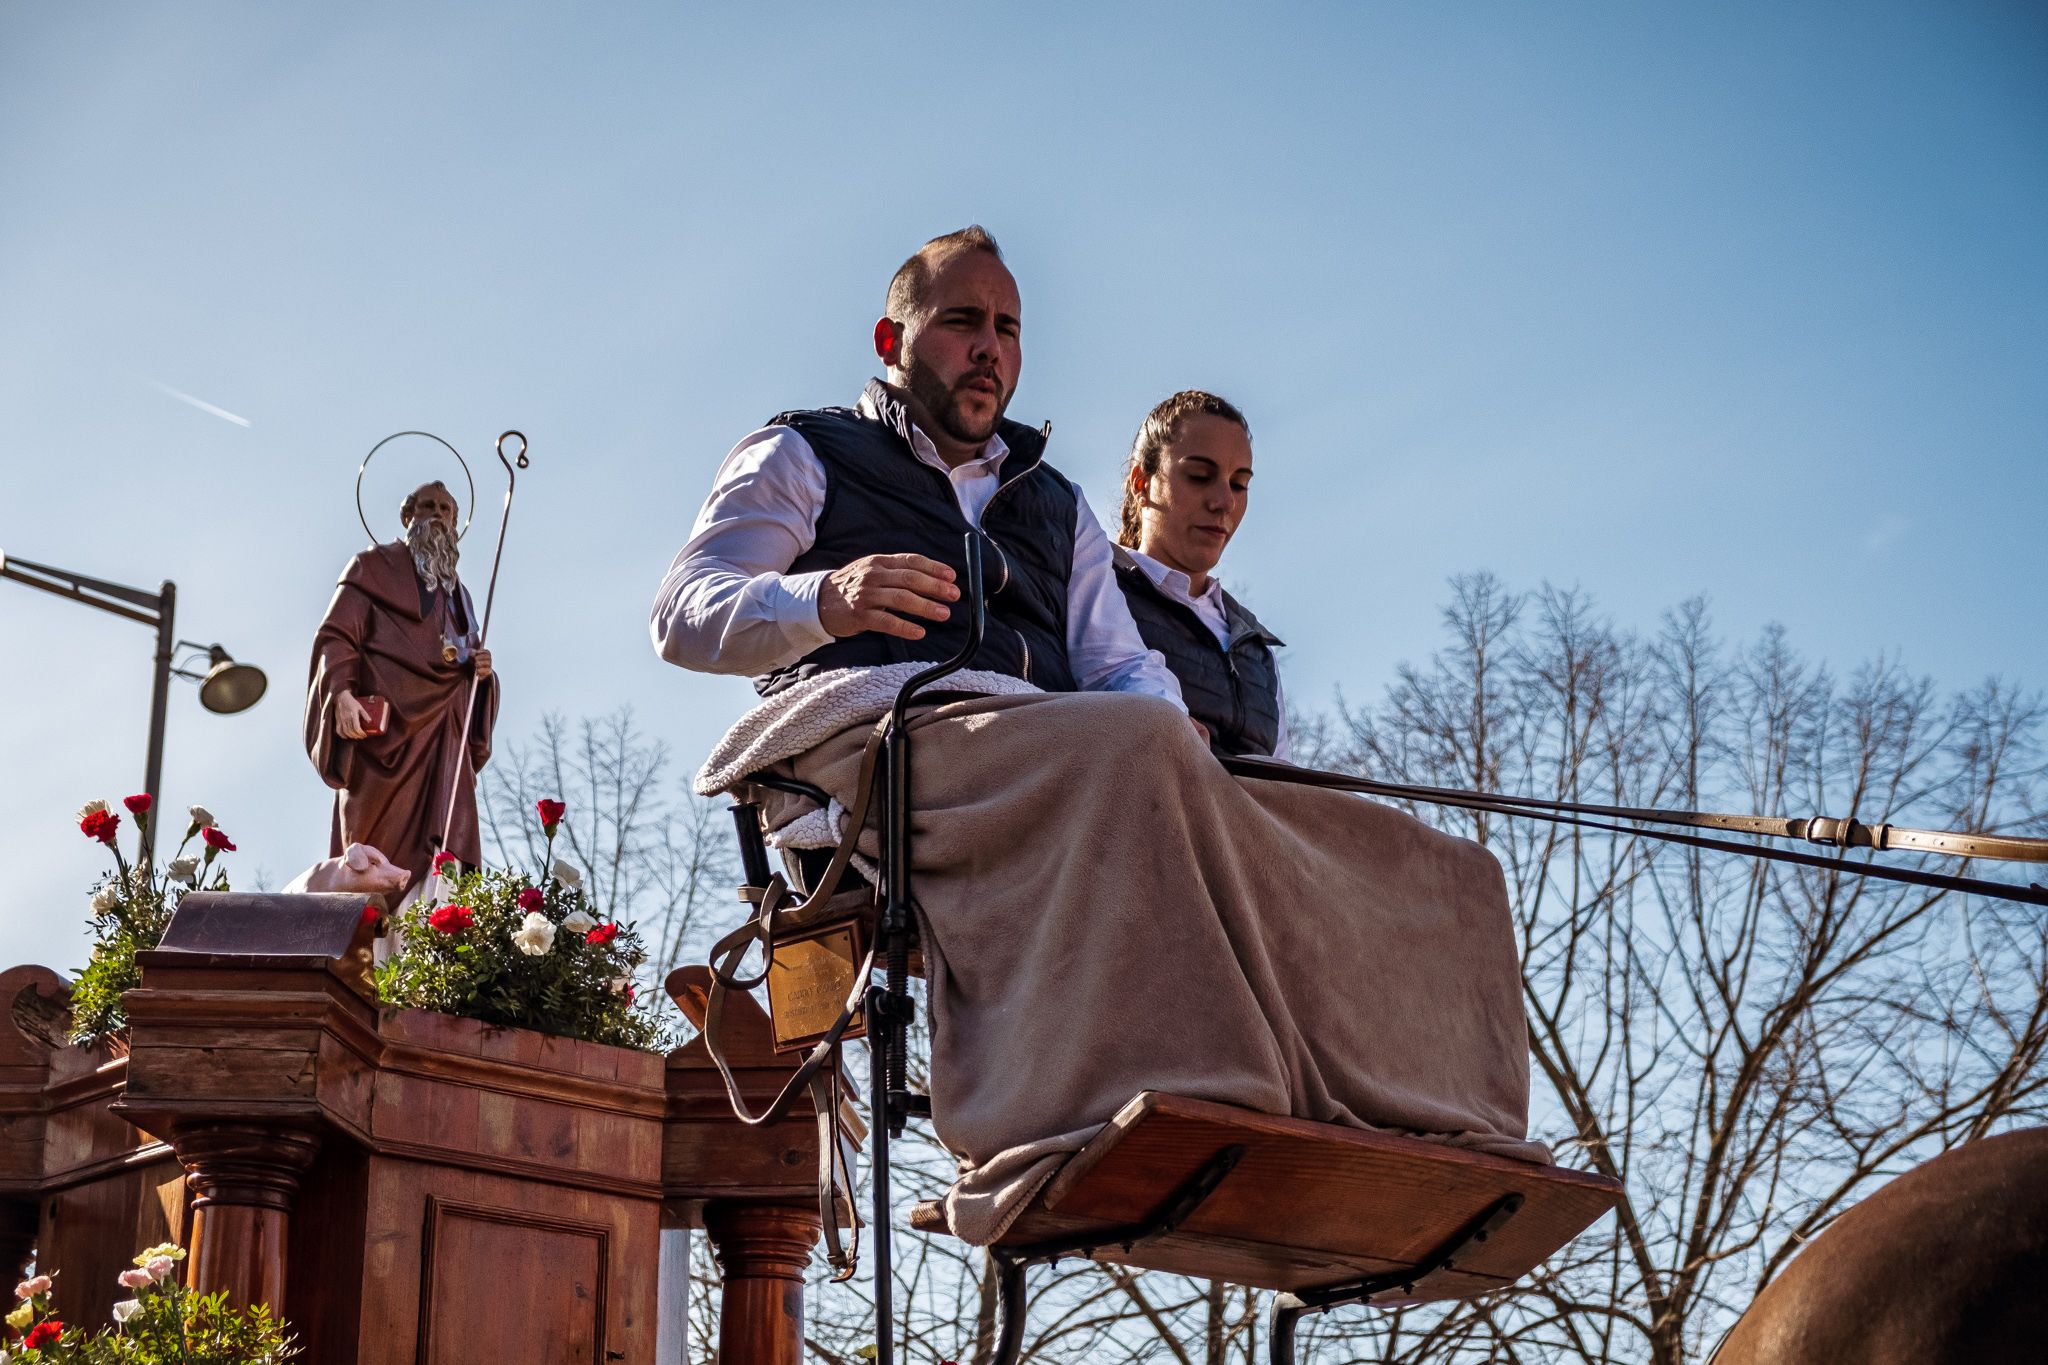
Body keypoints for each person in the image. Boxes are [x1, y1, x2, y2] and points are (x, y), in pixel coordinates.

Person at [649, 224, 1185, 712]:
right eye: (962, 321)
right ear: (890, 341)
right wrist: (824, 599)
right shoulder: (802, 453)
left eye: (1007, 330)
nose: (989, 350)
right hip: (880, 759)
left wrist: (1168, 728)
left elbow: (1120, 668)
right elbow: (681, 612)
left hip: (1043, 765)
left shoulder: (1062, 507)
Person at [305, 480, 498, 896]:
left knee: (445, 847)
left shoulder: (460, 598)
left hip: (443, 739)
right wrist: (340, 694)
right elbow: (336, 636)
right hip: (385, 743)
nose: (439, 515)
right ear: (408, 516)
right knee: (372, 850)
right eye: (428, 506)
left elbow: (466, 658)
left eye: (447, 509)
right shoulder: (370, 568)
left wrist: (482, 674)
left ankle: (438, 923)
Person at [1113, 391, 1289, 760]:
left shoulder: (1257, 650)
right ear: (1141, 483)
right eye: (1199, 476)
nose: (1224, 501)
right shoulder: (1093, 583)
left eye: (1239, 484)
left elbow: (1286, 777)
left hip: (1248, 815)